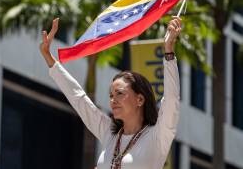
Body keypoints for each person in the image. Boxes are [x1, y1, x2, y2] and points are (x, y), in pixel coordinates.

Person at [39, 17, 181, 169]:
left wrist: (168, 51)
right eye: (111, 96)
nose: (113, 100)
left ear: (140, 99)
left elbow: (171, 99)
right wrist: (48, 56)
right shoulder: (111, 134)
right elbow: (79, 98)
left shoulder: (157, 136)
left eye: (119, 93)